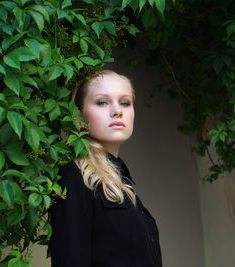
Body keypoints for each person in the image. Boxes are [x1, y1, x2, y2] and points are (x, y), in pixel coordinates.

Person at [49, 70, 162, 267]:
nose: (117, 111)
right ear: (78, 116)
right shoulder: (75, 175)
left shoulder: (121, 179)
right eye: (102, 102)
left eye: (125, 102)